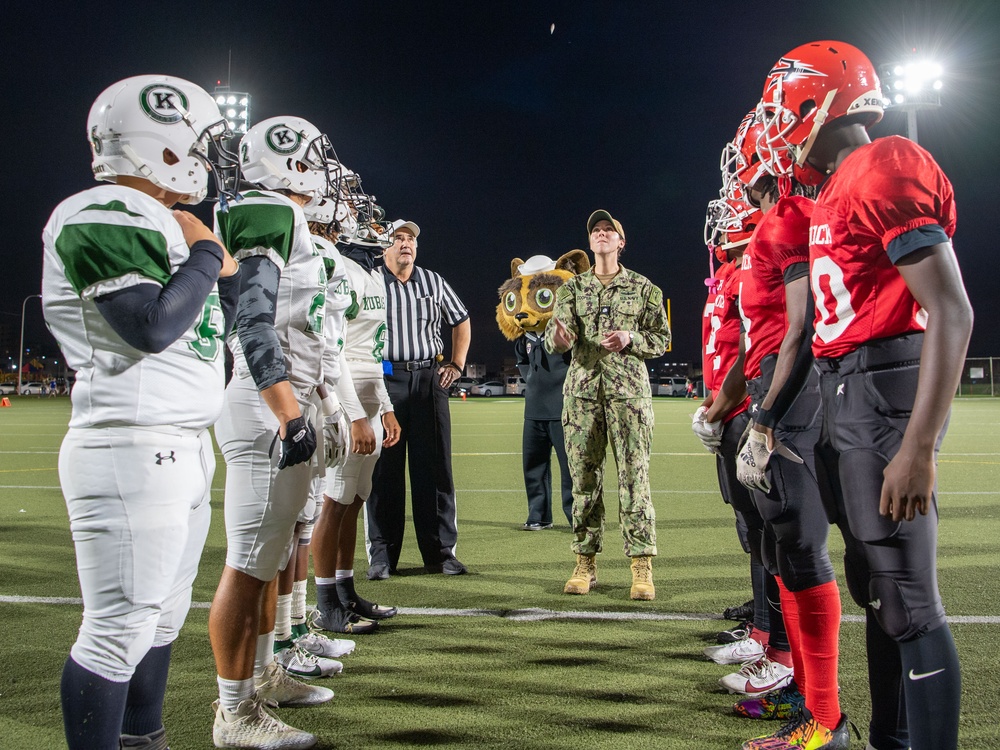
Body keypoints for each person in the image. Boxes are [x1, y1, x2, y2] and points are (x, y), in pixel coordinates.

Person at [747, 40, 971, 750]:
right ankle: (887, 738)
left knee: (910, 604)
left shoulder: (885, 162)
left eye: (786, 110)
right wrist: (772, 421)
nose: (780, 128)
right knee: (875, 589)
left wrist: (918, 450)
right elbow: (819, 331)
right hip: (846, 395)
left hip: (882, 394)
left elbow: (952, 311)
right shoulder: (832, 189)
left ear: (819, 102)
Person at [42, 74, 240, 750]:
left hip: (180, 442)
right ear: (159, 146)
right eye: (198, 143)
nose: (209, 160)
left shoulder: (161, 219)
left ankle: (144, 740)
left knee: (160, 621)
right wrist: (209, 252)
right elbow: (150, 325)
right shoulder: (102, 209)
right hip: (130, 443)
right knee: (117, 629)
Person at [210, 115, 341, 749]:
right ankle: (233, 711)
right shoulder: (266, 209)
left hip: (284, 400)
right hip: (268, 405)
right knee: (249, 565)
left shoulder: (278, 215)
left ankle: (264, 674)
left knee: (271, 556)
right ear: (292, 161)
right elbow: (253, 320)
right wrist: (290, 410)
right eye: (315, 157)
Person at [545, 210, 670, 600]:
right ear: (591, 242)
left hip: (629, 398)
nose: (601, 235)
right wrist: (560, 340)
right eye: (596, 231)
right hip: (582, 396)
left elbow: (662, 339)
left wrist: (631, 338)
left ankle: (641, 566)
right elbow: (555, 336)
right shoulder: (572, 289)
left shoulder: (644, 287)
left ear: (620, 242)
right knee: (583, 481)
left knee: (635, 481)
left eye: (608, 231)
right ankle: (585, 563)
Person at [310, 172, 402, 633]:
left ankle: (345, 590)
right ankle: (327, 601)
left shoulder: (369, 273)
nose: (365, 216)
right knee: (334, 500)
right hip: (346, 402)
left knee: (353, 500)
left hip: (366, 396)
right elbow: (336, 353)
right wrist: (354, 414)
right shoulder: (335, 267)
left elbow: (372, 352)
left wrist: (383, 405)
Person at [365, 219, 471, 579]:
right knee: (384, 472)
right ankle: (382, 556)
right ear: (384, 247)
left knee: (435, 469)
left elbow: (461, 319)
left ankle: (440, 554)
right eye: (397, 238)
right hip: (386, 378)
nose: (405, 244)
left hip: (428, 378)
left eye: (410, 239)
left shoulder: (433, 281)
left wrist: (457, 364)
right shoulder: (370, 280)